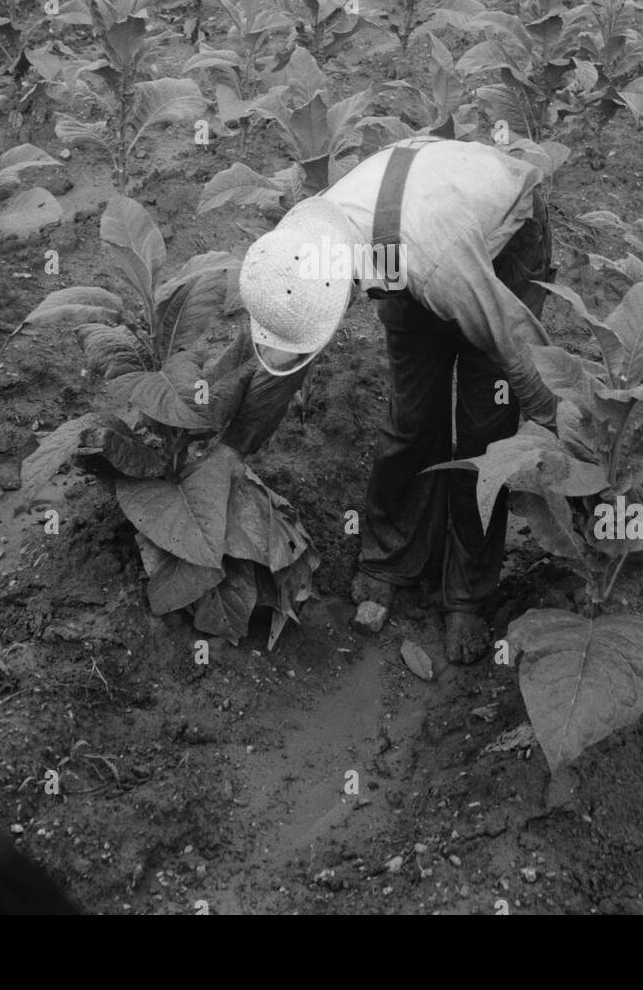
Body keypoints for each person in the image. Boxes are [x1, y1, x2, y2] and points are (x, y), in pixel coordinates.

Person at [212, 135, 558, 664]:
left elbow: (518, 345)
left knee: (484, 432)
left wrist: (560, 428)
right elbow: (283, 359)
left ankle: (466, 593)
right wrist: (230, 450)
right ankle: (390, 559)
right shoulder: (300, 249)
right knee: (412, 415)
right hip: (411, 234)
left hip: (503, 238)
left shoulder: (435, 264)